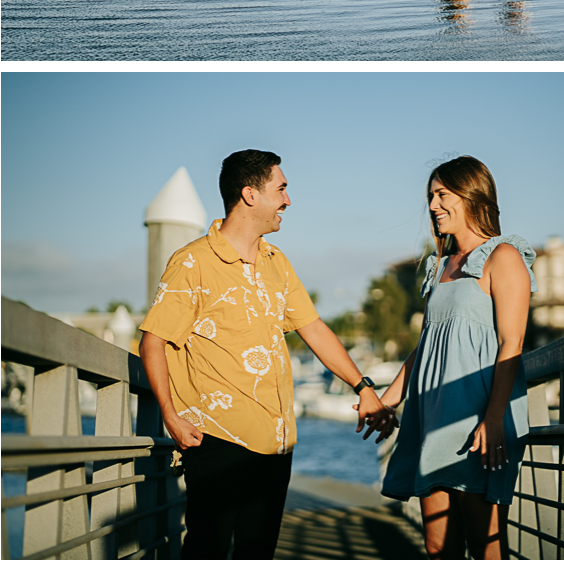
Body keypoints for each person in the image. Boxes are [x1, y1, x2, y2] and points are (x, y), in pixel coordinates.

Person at [139, 149, 396, 560]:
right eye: (281, 189)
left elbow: (313, 328)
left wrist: (363, 386)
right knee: (208, 550)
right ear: (250, 195)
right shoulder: (193, 262)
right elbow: (153, 340)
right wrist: (170, 415)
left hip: (276, 443)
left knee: (257, 555)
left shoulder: (277, 263)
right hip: (217, 438)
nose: (288, 201)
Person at [377, 156, 537, 560]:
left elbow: (511, 342)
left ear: (472, 195)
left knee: (486, 547)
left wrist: (495, 416)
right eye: (431, 196)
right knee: (438, 547)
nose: (433, 205)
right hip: (431, 417)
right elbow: (428, 344)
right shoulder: (441, 267)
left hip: (477, 418)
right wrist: (388, 400)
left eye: (442, 195)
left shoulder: (503, 257)